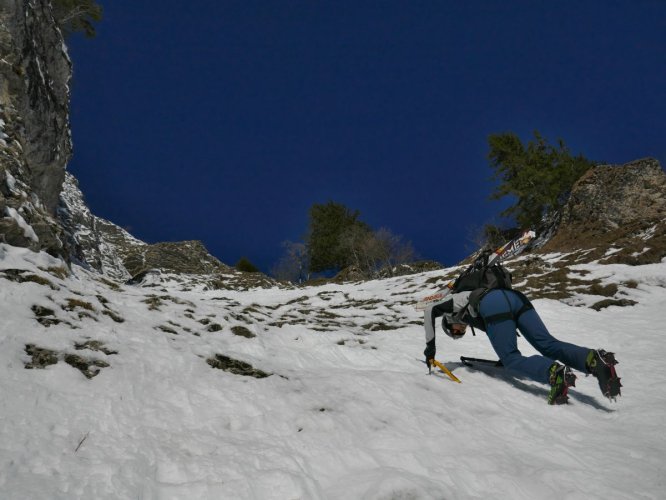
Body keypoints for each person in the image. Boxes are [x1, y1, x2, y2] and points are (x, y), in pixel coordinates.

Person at [423, 287, 622, 404]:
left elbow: (429, 309)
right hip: (515, 297)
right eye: (459, 333)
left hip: (492, 302)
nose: (460, 331)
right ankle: (594, 359)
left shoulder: (453, 304)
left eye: (456, 331)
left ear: (449, 322)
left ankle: (554, 373)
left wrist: (430, 348)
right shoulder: (471, 305)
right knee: (548, 344)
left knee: (511, 358)